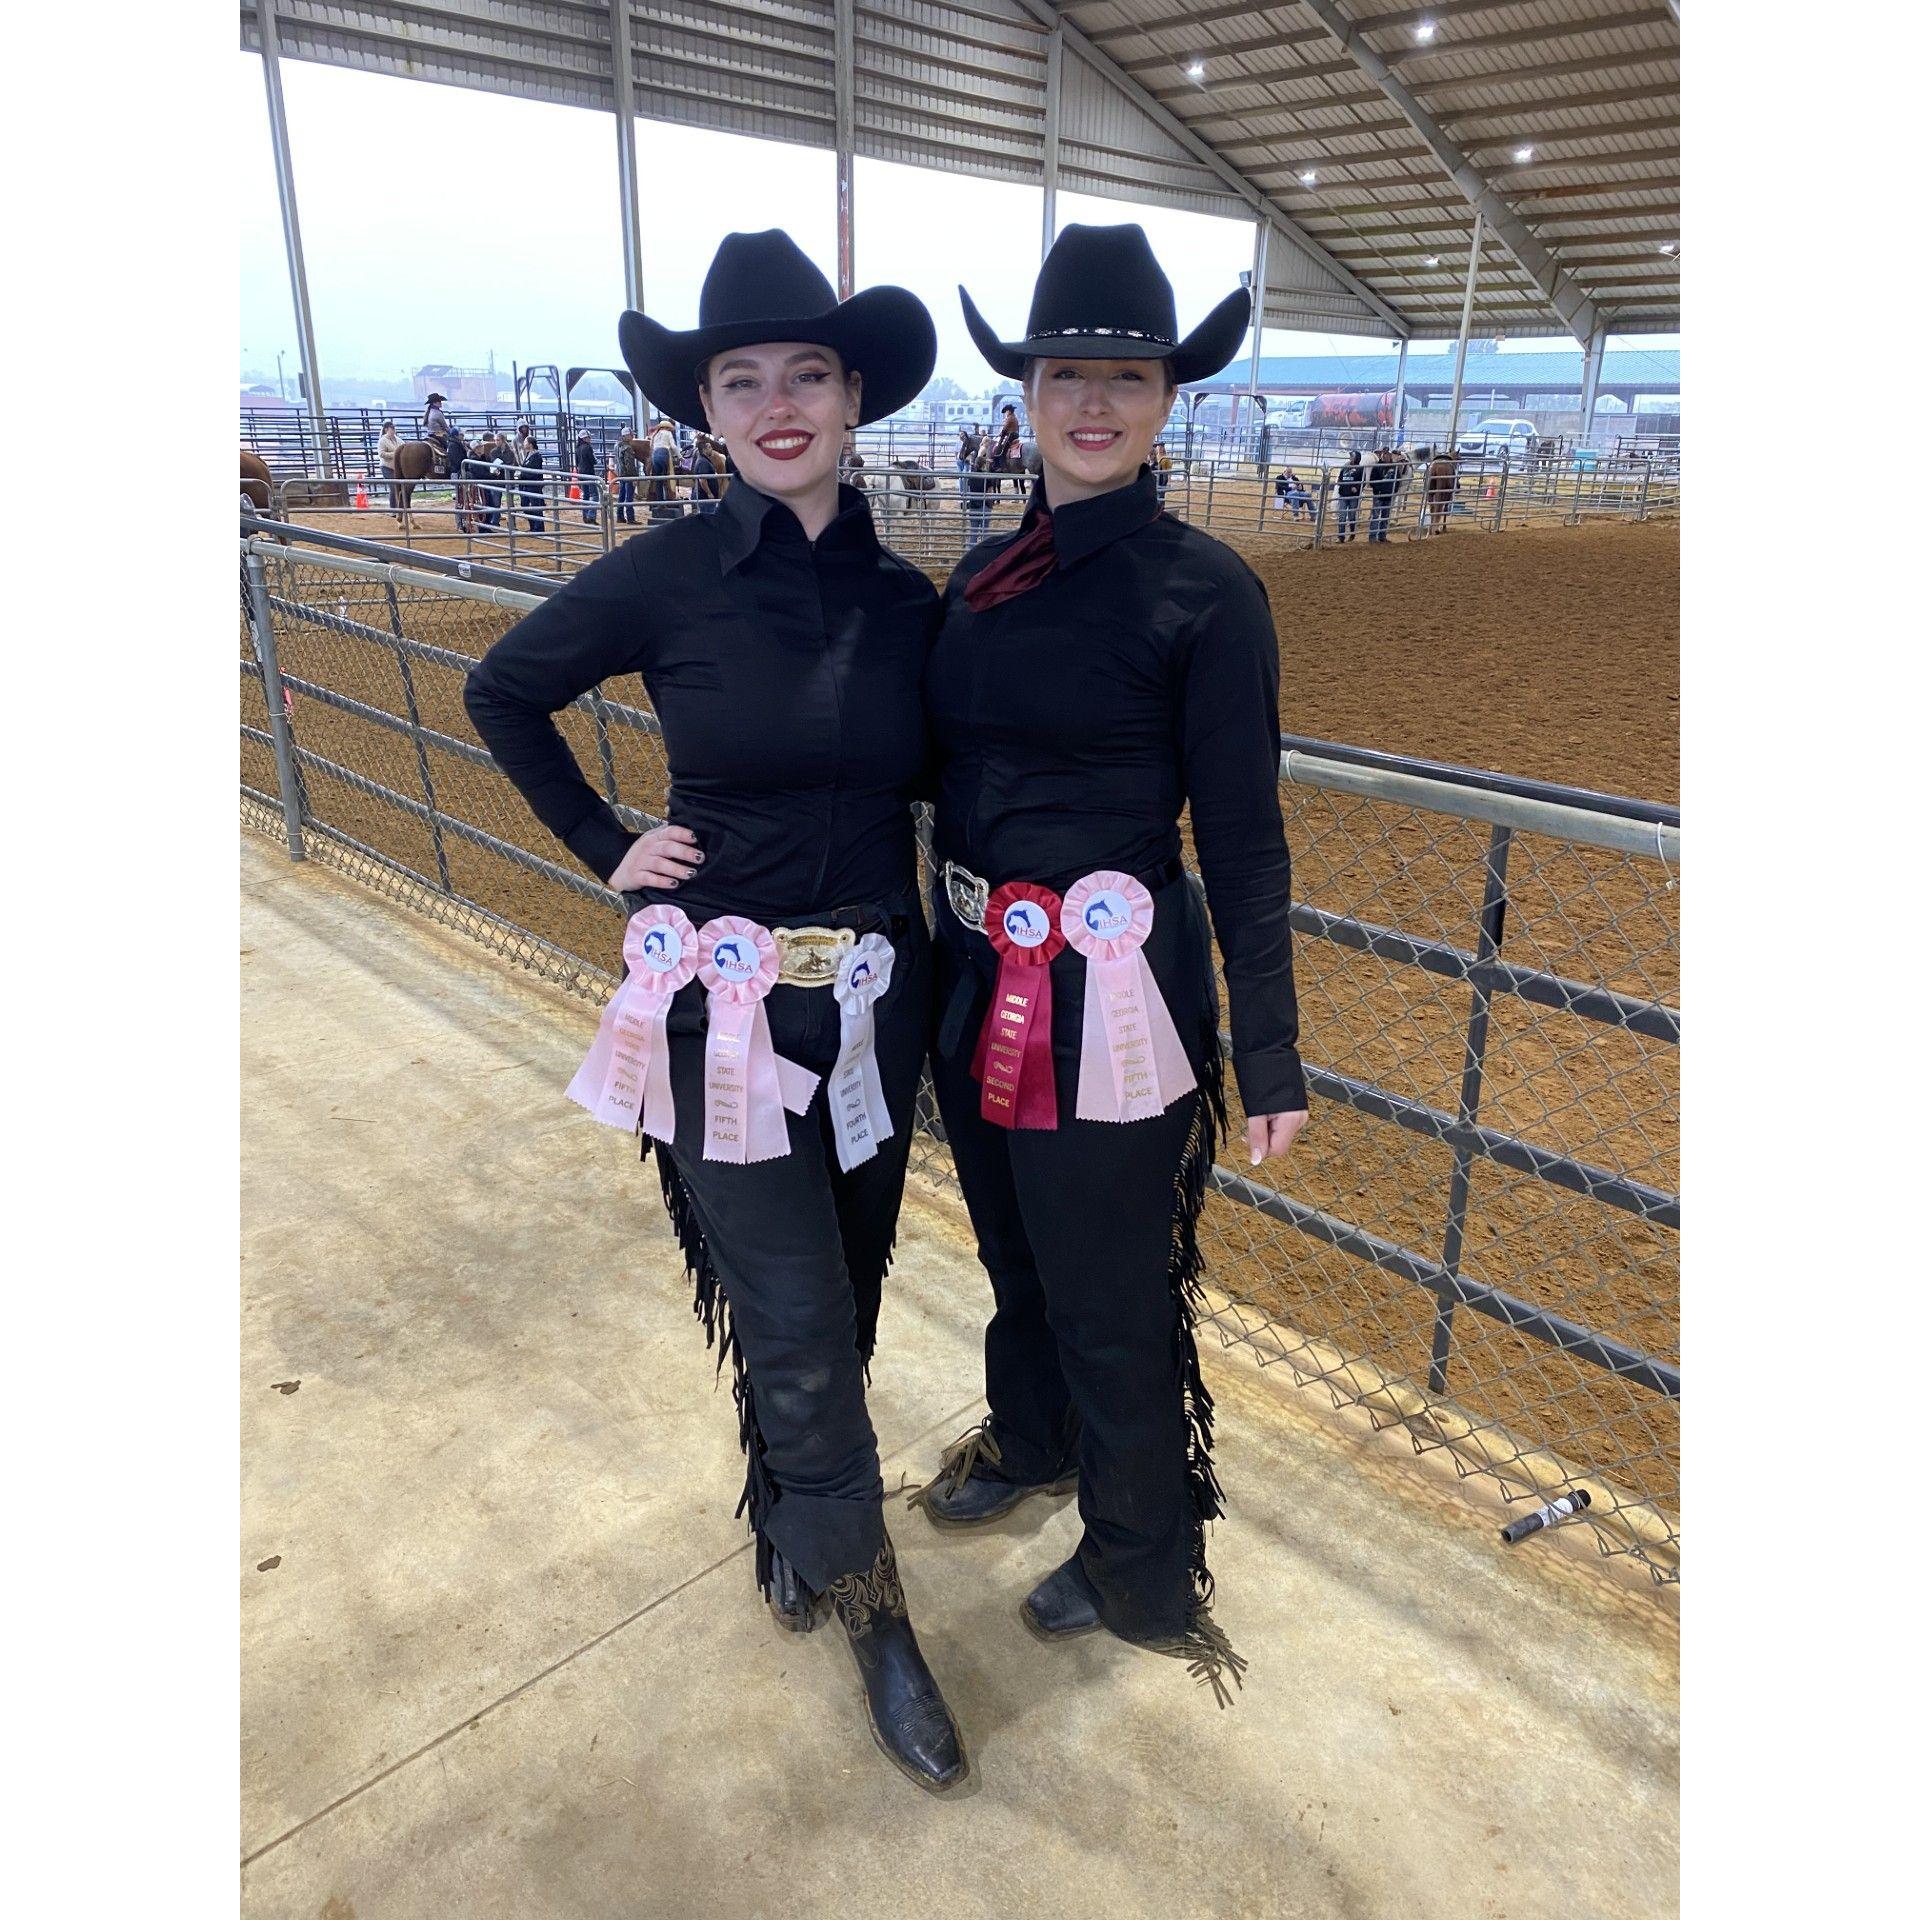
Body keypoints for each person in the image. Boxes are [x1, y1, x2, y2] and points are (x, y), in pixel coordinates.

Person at [462, 229, 969, 1794]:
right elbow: (504, 691)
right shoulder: (669, 573)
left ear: (854, 390)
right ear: (708, 409)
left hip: (878, 1009)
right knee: (805, 1323)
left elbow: (970, 773)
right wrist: (614, 846)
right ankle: (876, 1612)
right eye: (740, 379)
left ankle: (790, 1518)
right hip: (721, 1016)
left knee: (847, 1297)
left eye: (804, 373)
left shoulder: (907, 599)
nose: (775, 404)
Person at [914, 223, 1310, 1706]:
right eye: (1067, 371)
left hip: (1116, 1005)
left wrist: (1264, 1047)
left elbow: (1250, 842)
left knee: (1110, 1293)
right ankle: (1034, 1438)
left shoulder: (1206, 595)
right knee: (1016, 1256)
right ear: (1025, 389)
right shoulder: (972, 579)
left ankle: (1145, 1559)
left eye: (1125, 377)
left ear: (1164, 398)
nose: (1094, 401)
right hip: (977, 976)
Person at [515, 422, 546, 534]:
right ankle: (534, 526)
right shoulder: (529, 455)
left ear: (530, 444)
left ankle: (538, 527)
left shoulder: (536, 456)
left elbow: (533, 472)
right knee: (526, 506)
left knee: (535, 505)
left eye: (526, 442)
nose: (524, 444)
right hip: (527, 485)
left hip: (533, 485)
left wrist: (521, 474)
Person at [1367, 445, 1397, 543]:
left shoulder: (1394, 468)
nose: (1385, 456)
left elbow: (1398, 481)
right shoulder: (1377, 467)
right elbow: (1372, 481)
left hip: (1388, 495)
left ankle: (1382, 536)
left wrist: (1393, 491)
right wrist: (1378, 490)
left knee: (1385, 516)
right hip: (1379, 495)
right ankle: (1372, 537)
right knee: (1375, 516)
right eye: (1383, 454)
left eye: (1387, 454)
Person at [1426, 447, 1459, 533]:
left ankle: (1431, 525)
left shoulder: (1434, 462)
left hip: (1432, 468)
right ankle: (1436, 526)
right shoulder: (1450, 464)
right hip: (1447, 476)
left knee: (1431, 497)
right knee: (1441, 498)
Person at [1335, 450, 1363, 543]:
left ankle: (1352, 533)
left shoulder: (1360, 469)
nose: (1350, 458)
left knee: (1351, 516)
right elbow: (1339, 477)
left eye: (1352, 457)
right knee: (1342, 516)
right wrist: (1340, 483)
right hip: (1343, 494)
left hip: (1353, 496)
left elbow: (1362, 482)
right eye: (1350, 456)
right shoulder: (1345, 466)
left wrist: (1357, 488)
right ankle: (1341, 537)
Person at [574, 429, 600, 525]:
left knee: (585, 495)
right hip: (589, 472)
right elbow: (593, 460)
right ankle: (591, 516)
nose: (590, 439)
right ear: (585, 438)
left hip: (581, 473)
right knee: (595, 495)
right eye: (589, 437)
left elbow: (576, 462)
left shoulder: (577, 448)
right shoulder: (588, 448)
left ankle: (585, 515)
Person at [615, 432, 641, 525]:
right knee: (629, 496)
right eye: (630, 435)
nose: (632, 436)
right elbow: (630, 465)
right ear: (626, 436)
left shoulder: (617, 445)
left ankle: (620, 516)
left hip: (621, 474)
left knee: (621, 495)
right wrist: (634, 477)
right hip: (628, 475)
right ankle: (630, 518)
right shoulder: (628, 448)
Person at [378, 421, 403, 509]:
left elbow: (403, 447)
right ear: (386, 430)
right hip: (387, 467)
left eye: (394, 428)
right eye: (391, 429)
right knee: (393, 488)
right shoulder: (383, 440)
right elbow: (381, 454)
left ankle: (399, 508)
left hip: (396, 468)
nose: (393, 430)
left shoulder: (398, 439)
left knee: (398, 487)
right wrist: (395, 454)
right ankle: (393, 509)